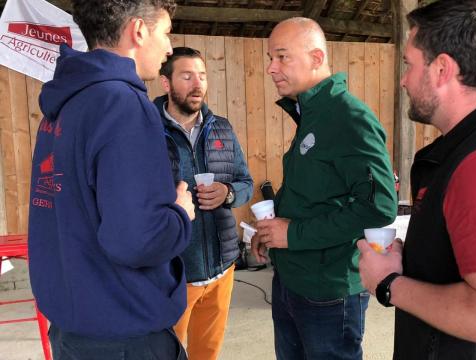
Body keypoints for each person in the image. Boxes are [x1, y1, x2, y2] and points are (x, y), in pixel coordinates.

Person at [357, 1, 476, 359]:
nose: (403, 79)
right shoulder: (464, 147)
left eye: (409, 64)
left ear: (442, 68)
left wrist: (389, 285)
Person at [28, 1, 195, 359]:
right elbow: (137, 240)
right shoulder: (123, 104)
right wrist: (180, 213)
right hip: (123, 331)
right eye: (165, 33)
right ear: (138, 31)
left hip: (73, 329)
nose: (169, 48)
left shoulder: (64, 104)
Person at [252, 17, 398, 360]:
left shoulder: (349, 117)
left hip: (328, 292)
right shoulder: (311, 113)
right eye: (270, 58)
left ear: (317, 59)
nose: (271, 68)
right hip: (291, 280)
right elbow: (315, 192)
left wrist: (295, 234)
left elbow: (378, 207)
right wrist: (274, 231)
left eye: (282, 57)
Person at [154, 46, 254, 360]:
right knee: (166, 353)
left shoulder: (221, 127)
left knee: (207, 354)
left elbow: (246, 183)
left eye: (202, 76)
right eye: (186, 76)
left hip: (222, 269)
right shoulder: (146, 129)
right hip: (174, 273)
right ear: (166, 84)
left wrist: (228, 193)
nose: (198, 84)